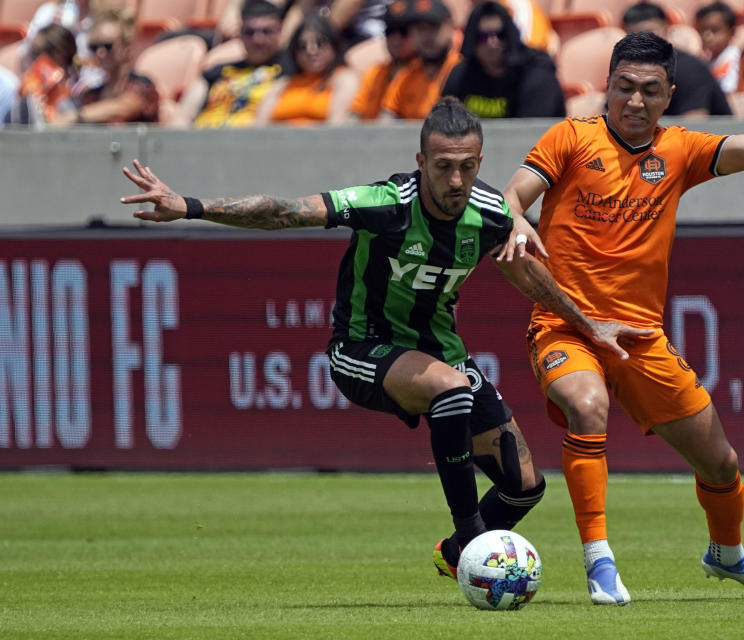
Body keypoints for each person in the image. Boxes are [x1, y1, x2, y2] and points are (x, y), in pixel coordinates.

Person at [119, 96, 646, 583]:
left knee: (525, 485)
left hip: (440, 355)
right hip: (360, 351)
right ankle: (473, 543)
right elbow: (284, 211)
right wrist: (188, 205)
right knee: (452, 390)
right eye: (443, 166)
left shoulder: (490, 214)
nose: (456, 179)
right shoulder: (387, 203)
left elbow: (527, 274)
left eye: (467, 166)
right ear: (421, 161)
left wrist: (590, 324)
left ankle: (453, 555)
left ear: (480, 163)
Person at [501, 32, 744, 605]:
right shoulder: (569, 137)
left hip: (639, 338)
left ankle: (728, 555)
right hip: (566, 327)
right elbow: (514, 194)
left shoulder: (681, 149)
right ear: (606, 88)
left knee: (720, 462)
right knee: (587, 406)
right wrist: (516, 216)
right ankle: (599, 559)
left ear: (669, 95)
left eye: (648, 91)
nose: (634, 102)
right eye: (623, 88)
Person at [180, 0, 294, 128]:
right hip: (200, 140)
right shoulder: (216, 73)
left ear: (280, 30)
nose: (258, 40)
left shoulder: (291, 69)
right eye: (249, 32)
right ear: (240, 32)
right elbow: (182, 117)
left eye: (266, 31)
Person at [442, 1, 564, 118]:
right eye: (483, 37)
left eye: (499, 35)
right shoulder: (461, 75)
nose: (492, 42)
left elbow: (532, 131)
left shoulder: (537, 73)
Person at [51, 7, 160, 125]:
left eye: (107, 46)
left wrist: (74, 116)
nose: (100, 53)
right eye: (94, 47)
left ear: (126, 46)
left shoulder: (141, 85)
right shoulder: (92, 95)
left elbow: (124, 107)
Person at [622, 2, 731, 117]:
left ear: (666, 30)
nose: (643, 42)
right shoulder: (626, 68)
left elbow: (694, 127)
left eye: (650, 34)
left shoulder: (689, 69)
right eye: (634, 36)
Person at [256, 14, 358, 124]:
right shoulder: (283, 84)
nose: (311, 50)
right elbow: (259, 126)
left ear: (333, 45)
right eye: (302, 46)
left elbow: (337, 126)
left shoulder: (343, 79)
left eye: (320, 43)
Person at [380, 0, 460, 119]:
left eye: (433, 27)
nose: (427, 36)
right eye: (420, 28)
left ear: (450, 26)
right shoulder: (405, 76)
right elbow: (385, 123)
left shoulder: (461, 70)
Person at [349, 0, 416, 120]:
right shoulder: (375, 72)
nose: (396, 39)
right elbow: (354, 116)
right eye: (390, 31)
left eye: (403, 32)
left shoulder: (420, 72)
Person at [8, 23, 77, 126]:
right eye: (33, 54)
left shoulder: (80, 88)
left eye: (38, 53)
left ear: (60, 54)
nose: (36, 60)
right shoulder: (31, 86)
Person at [696, 1, 740, 94]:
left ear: (732, 32)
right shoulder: (707, 60)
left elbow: (729, 90)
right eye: (703, 30)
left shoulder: (733, 58)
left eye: (714, 30)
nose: (707, 36)